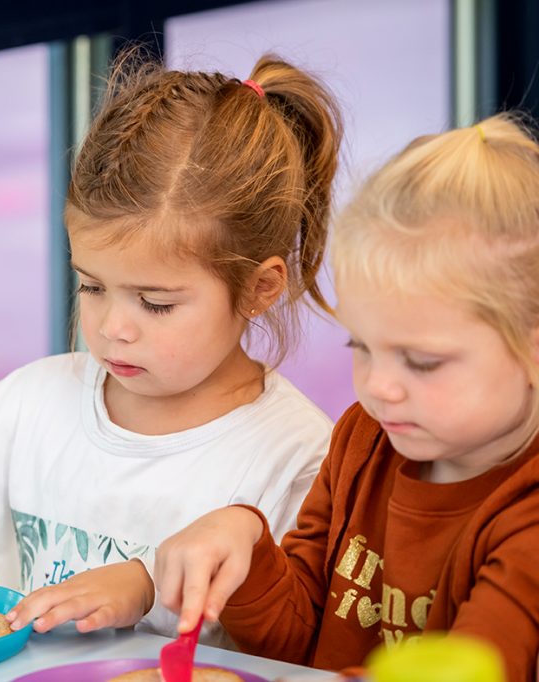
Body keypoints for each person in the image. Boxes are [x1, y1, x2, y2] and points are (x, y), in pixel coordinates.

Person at [0, 51, 343, 642]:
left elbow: (294, 640)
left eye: (156, 303)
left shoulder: (300, 456)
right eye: (92, 286)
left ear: (259, 288)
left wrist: (145, 591)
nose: (114, 326)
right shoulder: (32, 403)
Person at [153, 113, 539, 679]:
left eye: (422, 361)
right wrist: (246, 539)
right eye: (364, 347)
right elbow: (293, 646)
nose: (378, 387)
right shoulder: (364, 437)